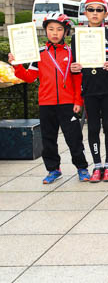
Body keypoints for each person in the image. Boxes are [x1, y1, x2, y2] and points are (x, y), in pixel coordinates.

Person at [11, 13, 89, 184]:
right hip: (46, 103)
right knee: (48, 139)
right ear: (45, 31)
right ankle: (53, 170)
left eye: (59, 29)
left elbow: (77, 80)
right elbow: (29, 77)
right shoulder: (38, 53)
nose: (55, 33)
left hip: (68, 103)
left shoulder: (72, 52)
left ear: (66, 32)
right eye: (51, 29)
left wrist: (78, 101)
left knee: (74, 138)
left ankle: (82, 168)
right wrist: (17, 65)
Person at [69, 0, 108, 182]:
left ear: (105, 13)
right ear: (85, 13)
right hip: (89, 88)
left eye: (99, 10)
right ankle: (97, 165)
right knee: (92, 127)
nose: (94, 13)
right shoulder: (78, 37)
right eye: (90, 9)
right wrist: (74, 67)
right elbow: (75, 63)